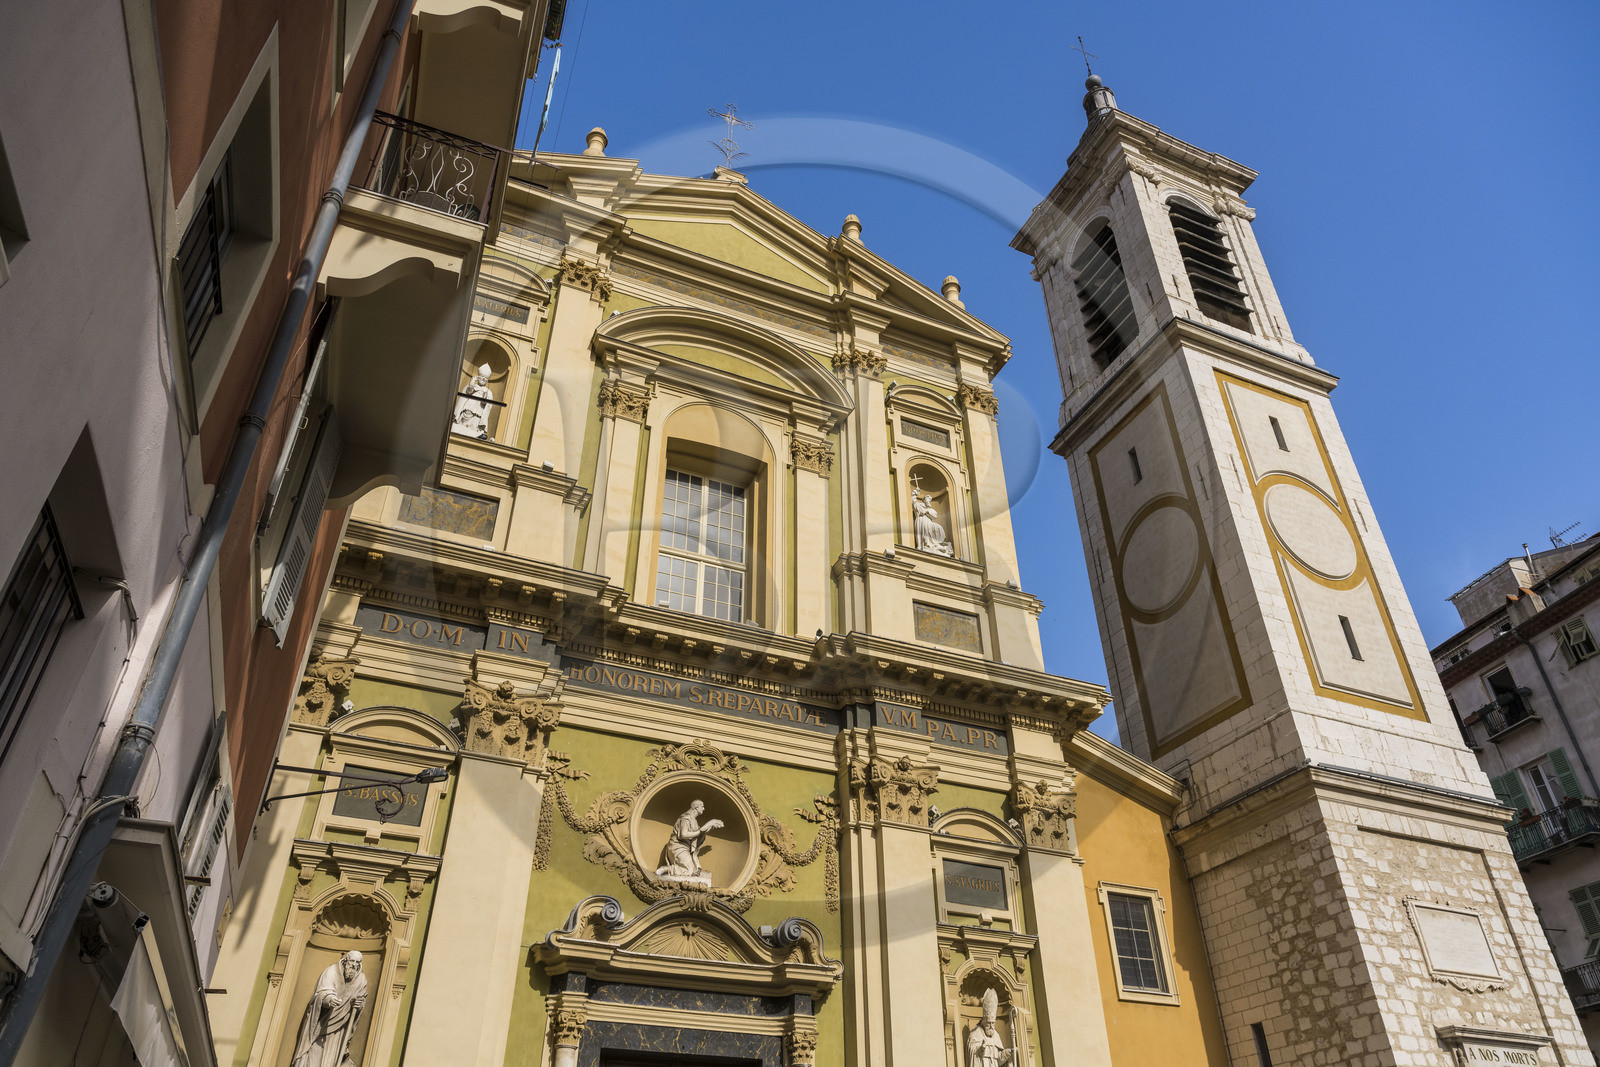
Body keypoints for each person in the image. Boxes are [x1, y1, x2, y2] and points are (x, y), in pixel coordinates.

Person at [289, 950, 369, 1067]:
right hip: (321, 1023)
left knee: (331, 1058)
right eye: (352, 961)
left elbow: (361, 999)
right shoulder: (332, 971)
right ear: (346, 960)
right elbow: (322, 992)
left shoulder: (361, 980)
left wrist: (359, 1004)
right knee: (314, 1054)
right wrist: (329, 999)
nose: (354, 964)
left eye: (357, 962)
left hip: (340, 1028)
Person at [655, 799, 724, 883]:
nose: (704, 809)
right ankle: (667, 869)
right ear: (696, 807)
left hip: (686, 848)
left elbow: (696, 837)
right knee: (689, 871)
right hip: (678, 846)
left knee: (697, 872)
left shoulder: (694, 821)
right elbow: (683, 835)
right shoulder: (686, 818)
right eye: (702, 806)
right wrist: (705, 827)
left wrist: (707, 829)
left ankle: (672, 869)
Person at [966, 988, 1015, 1067]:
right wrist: (981, 1049)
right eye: (989, 1023)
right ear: (984, 1021)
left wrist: (1007, 1053)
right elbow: (972, 1054)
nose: (991, 1026)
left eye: (993, 1023)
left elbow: (999, 1060)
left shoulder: (996, 1035)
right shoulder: (975, 1033)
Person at [451, 363, 494, 439]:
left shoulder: (488, 391)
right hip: (470, 403)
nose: (483, 380)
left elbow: (487, 404)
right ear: (478, 378)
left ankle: (474, 429)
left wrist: (485, 398)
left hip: (479, 407)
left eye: (485, 379)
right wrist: (472, 381)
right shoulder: (473, 386)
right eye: (481, 377)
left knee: (476, 417)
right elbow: (469, 391)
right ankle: (461, 425)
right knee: (467, 414)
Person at [913, 489, 955, 557]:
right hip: (922, 521)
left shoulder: (930, 509)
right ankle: (926, 545)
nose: (929, 501)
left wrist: (927, 511)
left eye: (929, 500)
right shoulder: (919, 505)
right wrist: (914, 493)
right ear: (924, 500)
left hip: (928, 522)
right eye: (928, 500)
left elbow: (935, 515)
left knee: (938, 527)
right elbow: (914, 503)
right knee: (925, 533)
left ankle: (935, 544)